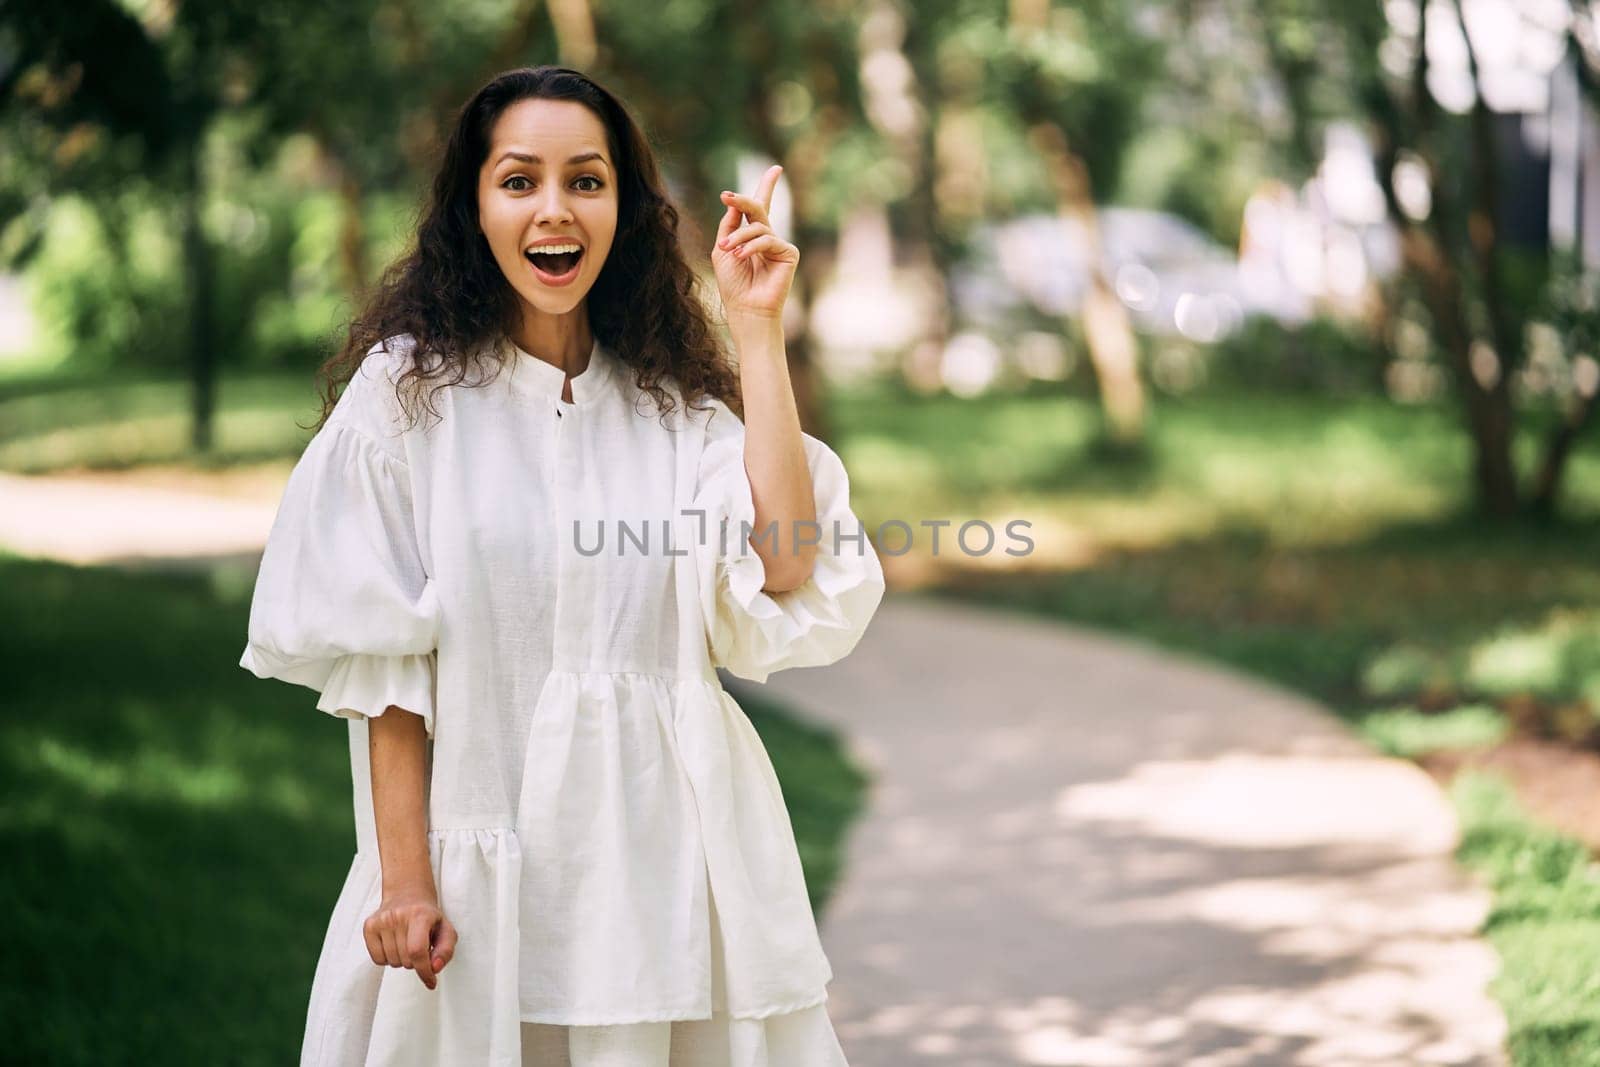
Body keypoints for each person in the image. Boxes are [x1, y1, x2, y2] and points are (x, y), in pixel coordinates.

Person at [237, 65, 885, 1066]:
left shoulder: (673, 406)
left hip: (666, 874)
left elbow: (787, 564)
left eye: (586, 180)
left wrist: (756, 330)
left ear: (625, 209)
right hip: (475, 878)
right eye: (519, 179)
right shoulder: (406, 401)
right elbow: (385, 666)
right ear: (475, 205)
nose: (555, 207)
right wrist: (404, 879)